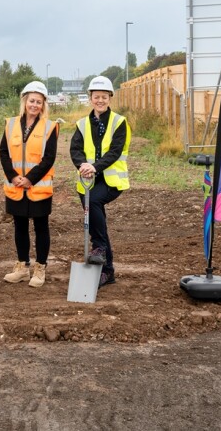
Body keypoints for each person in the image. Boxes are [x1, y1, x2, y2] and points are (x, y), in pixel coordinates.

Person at [69, 75, 131, 288]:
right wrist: (83, 166)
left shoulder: (119, 122)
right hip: (87, 181)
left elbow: (115, 151)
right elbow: (75, 149)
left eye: (104, 97)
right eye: (96, 97)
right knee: (99, 223)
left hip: (111, 181)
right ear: (91, 98)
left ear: (110, 98)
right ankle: (108, 271)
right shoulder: (82, 124)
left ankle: (99, 248)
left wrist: (95, 166)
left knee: (94, 203)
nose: (100, 100)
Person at [0, 81, 58, 288]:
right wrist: (14, 176)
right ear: (25, 101)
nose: (35, 105)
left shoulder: (50, 127)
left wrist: (29, 179)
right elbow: (4, 152)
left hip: (38, 186)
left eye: (39, 102)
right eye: (32, 101)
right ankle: (22, 267)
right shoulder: (11, 124)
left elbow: (49, 158)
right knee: (20, 226)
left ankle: (40, 268)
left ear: (43, 105)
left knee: (41, 227)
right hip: (15, 186)